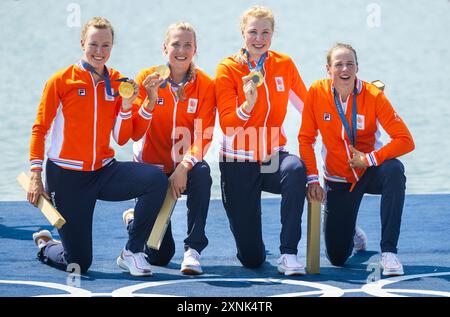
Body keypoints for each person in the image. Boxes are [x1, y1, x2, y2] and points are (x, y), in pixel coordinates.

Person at [28, 17, 168, 277]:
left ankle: (132, 251)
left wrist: (143, 103)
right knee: (78, 263)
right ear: (83, 43)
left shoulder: (118, 83)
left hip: (104, 171)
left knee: (156, 180)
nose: (99, 51)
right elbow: (40, 129)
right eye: (94, 44)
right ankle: (46, 244)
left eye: (106, 45)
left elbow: (126, 136)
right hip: (67, 177)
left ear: (112, 47)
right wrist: (36, 175)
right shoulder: (61, 81)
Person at [298, 43, 415, 276]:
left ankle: (389, 252)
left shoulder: (373, 95)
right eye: (338, 64)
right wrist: (312, 178)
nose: (345, 69)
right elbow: (305, 139)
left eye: (350, 64)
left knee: (394, 170)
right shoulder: (316, 92)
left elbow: (405, 140)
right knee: (338, 258)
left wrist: (370, 158)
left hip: (370, 171)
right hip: (338, 178)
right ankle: (350, 229)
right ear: (328, 69)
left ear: (357, 68)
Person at [215, 6, 308, 275]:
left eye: (265, 32)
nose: (259, 38)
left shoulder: (284, 64)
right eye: (253, 32)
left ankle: (288, 253)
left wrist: (340, 132)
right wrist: (248, 103)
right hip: (238, 161)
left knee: (296, 170)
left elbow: (308, 106)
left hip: (271, 157)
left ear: (272, 34)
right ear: (243, 33)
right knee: (252, 258)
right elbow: (229, 125)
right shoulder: (227, 68)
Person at [123, 22, 216, 275]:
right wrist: (151, 99)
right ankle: (134, 219)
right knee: (159, 256)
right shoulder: (147, 78)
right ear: (165, 47)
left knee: (202, 172)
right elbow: (135, 128)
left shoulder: (206, 85)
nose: (181, 50)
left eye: (188, 45)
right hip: (150, 171)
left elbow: (204, 135)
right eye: (176, 44)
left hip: (182, 167)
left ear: (195, 49)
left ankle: (193, 250)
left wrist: (184, 166)